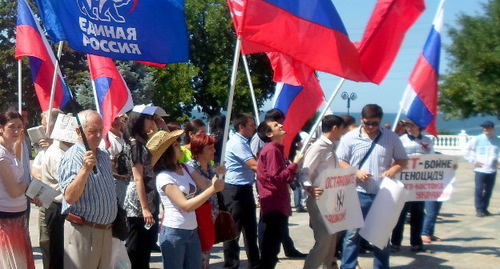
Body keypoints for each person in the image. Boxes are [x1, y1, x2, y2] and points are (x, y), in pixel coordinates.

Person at [337, 104, 408, 269]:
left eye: (374, 123)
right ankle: (348, 266)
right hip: (357, 191)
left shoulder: (391, 138)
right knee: (352, 235)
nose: (370, 127)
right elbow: (340, 160)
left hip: (383, 193)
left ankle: (381, 266)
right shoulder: (350, 137)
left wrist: (393, 169)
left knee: (381, 235)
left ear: (380, 121)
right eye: (367, 123)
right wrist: (356, 172)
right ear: (361, 120)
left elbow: (403, 161)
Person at [148, 130, 225, 269]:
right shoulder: (164, 177)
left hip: (193, 230)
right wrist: (213, 189)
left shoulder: (185, 167)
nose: (181, 146)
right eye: (176, 145)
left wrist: (218, 175)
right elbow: (186, 205)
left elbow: (206, 185)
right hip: (174, 232)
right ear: (168, 152)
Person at [59, 110, 117, 269]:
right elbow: (70, 197)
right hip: (83, 232)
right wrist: (84, 170)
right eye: (92, 131)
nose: (98, 135)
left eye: (101, 129)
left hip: (105, 231)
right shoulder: (72, 157)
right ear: (79, 131)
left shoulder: (103, 155)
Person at [250, 108, 306, 258]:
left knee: (272, 247)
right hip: (274, 202)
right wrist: (294, 165)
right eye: (276, 125)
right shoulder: (272, 150)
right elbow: (276, 178)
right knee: (270, 249)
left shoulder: (277, 149)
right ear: (269, 134)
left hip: (278, 201)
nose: (281, 126)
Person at [300, 115, 347, 269]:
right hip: (319, 200)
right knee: (324, 239)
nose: (343, 132)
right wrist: (309, 188)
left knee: (332, 239)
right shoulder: (318, 147)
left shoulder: (331, 147)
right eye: (342, 129)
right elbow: (304, 172)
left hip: (332, 199)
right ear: (335, 128)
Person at [221, 113, 260, 269]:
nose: (254, 127)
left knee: (250, 230)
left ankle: (254, 263)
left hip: (244, 188)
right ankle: (231, 264)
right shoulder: (237, 143)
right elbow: (254, 165)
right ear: (241, 126)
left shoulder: (245, 142)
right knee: (233, 230)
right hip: (234, 191)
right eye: (251, 124)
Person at [39, 113, 78, 269]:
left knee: (63, 252)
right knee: (58, 253)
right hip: (58, 207)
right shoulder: (58, 154)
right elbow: (68, 185)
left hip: (61, 206)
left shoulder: (64, 151)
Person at [390, 119, 434, 252]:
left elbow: (431, 158)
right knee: (400, 214)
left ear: (419, 126)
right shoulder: (400, 140)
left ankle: (416, 242)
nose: (409, 128)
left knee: (418, 213)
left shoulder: (427, 141)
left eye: (412, 125)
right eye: (407, 125)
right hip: (403, 182)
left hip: (418, 184)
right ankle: (395, 242)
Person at [0, 109, 35, 269]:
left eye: (19, 127)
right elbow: (14, 190)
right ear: (1, 128)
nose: (16, 131)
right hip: (6, 221)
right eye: (11, 127)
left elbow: (19, 175)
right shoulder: (1, 154)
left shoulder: (11, 149)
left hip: (18, 218)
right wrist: (27, 186)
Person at [123, 108, 158, 268]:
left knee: (144, 245)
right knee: (136, 245)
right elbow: (138, 177)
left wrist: (158, 125)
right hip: (138, 200)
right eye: (149, 118)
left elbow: (160, 139)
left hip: (147, 195)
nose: (152, 121)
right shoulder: (135, 143)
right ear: (138, 120)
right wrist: (145, 208)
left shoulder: (141, 140)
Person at [187, 133, 220, 268]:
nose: (214, 151)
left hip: (210, 215)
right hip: (198, 217)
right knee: (198, 253)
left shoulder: (210, 167)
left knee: (206, 252)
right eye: (210, 148)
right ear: (198, 151)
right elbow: (207, 185)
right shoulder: (191, 167)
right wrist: (218, 176)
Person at [463, 120, 499, 217]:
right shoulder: (477, 139)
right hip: (480, 169)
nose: (485, 129)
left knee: (488, 190)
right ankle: (479, 209)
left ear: (492, 129)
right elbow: (466, 150)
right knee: (479, 190)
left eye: (487, 127)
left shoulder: (497, 140)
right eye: (484, 127)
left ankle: (485, 208)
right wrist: (474, 160)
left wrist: (498, 161)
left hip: (492, 170)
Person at [99, 114, 129, 206]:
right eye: (113, 119)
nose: (116, 122)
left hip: (126, 179)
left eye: (117, 119)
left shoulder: (123, 136)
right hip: (115, 181)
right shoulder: (106, 139)